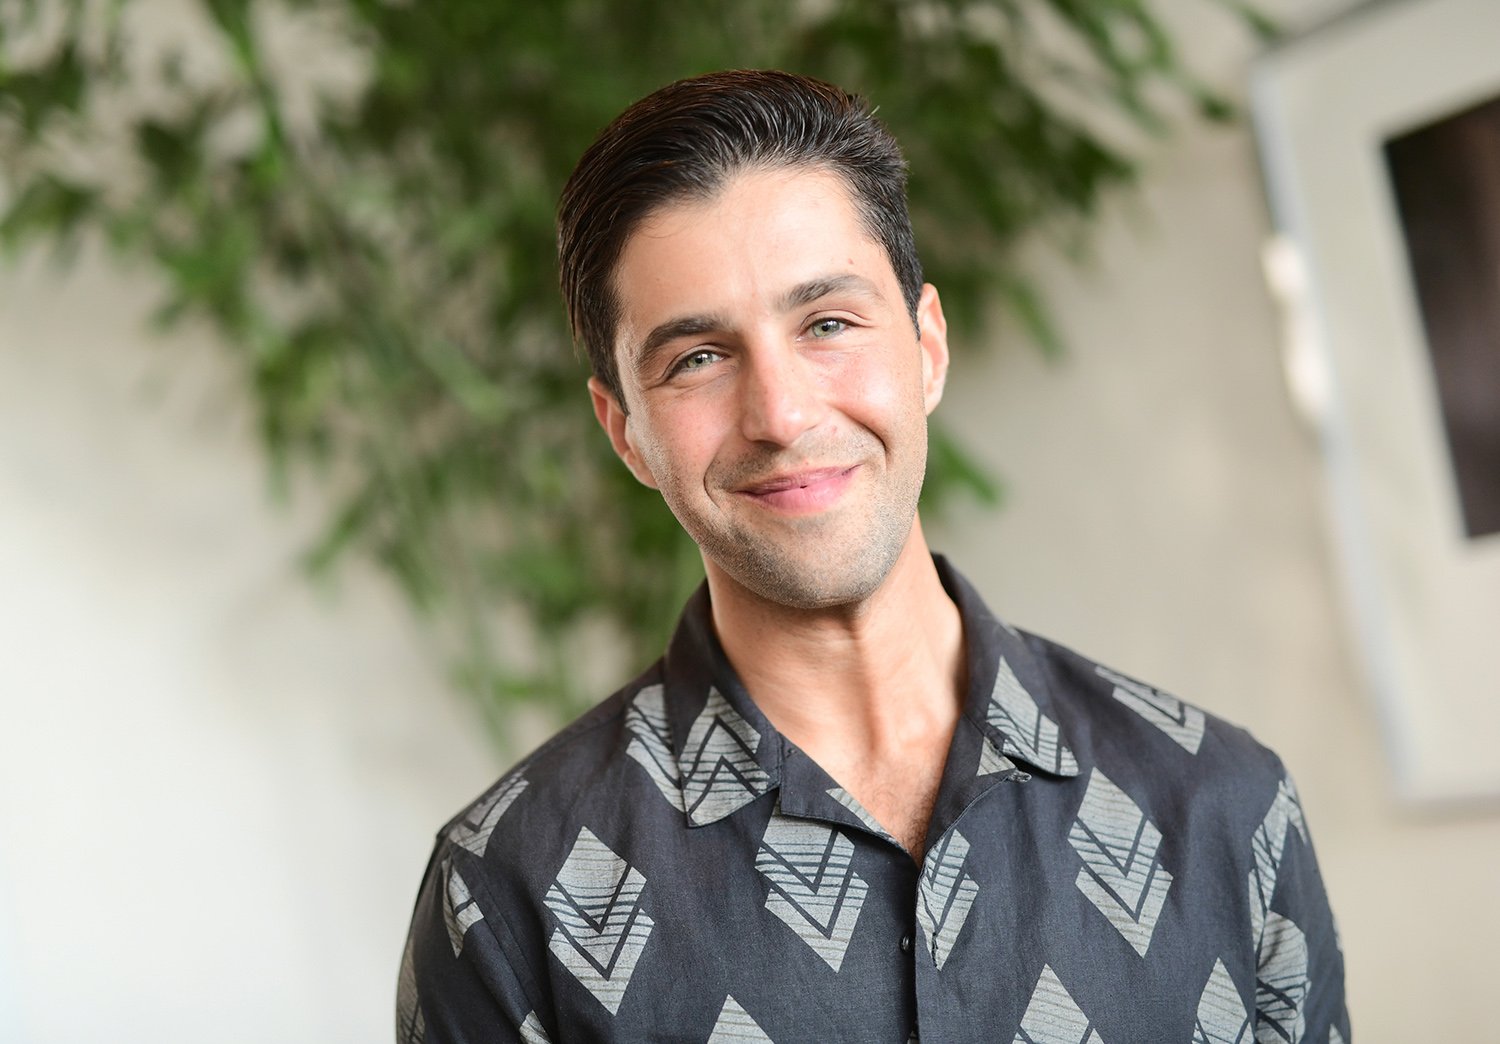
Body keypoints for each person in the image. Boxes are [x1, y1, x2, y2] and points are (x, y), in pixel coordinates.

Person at [398, 69, 1349, 1043]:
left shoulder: (1221, 807)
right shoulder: (509, 894)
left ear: (927, 346)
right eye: (698, 358)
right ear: (625, 432)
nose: (783, 414)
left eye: (828, 324)